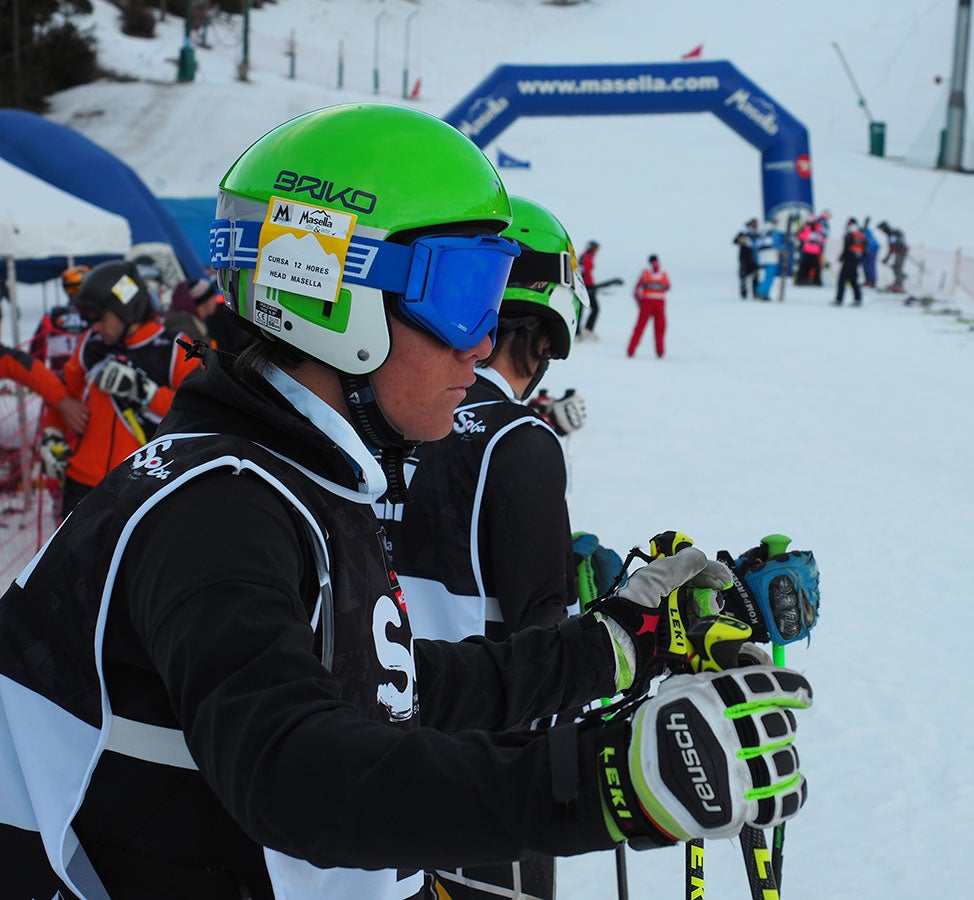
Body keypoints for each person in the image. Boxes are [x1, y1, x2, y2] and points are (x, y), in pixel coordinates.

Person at [0, 103, 811, 900]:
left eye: (494, 299)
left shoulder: (304, 478)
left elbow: (386, 688)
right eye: (462, 295)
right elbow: (290, 772)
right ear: (326, 292)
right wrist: (608, 782)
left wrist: (610, 646)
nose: (484, 342)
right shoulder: (217, 507)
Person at [379, 196, 588, 900]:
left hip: (368, 739)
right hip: (477, 762)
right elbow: (544, 635)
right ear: (547, 332)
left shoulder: (386, 417)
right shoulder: (519, 440)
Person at [55, 258, 203, 515]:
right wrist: (52, 431)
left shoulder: (173, 348)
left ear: (125, 308)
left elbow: (199, 415)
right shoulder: (91, 343)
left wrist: (145, 393)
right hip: (82, 482)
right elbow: (65, 394)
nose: (94, 327)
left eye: (98, 317)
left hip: (141, 485)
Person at [626, 254, 671, 358]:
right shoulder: (663, 275)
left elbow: (636, 291)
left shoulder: (645, 274)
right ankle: (660, 352)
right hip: (658, 303)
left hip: (647, 303)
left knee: (640, 327)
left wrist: (640, 302)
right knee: (660, 328)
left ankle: (631, 351)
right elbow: (668, 287)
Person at [832, 218, 866, 306]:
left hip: (849, 260)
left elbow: (846, 248)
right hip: (857, 259)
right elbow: (864, 249)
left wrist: (842, 257)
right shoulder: (861, 234)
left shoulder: (849, 234)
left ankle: (838, 300)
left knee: (842, 280)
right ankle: (858, 299)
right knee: (853, 280)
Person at [752, 217, 785, 301]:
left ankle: (764, 292)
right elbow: (776, 243)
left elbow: (755, 245)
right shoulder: (773, 231)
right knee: (770, 276)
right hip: (771, 256)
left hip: (761, 256)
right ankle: (761, 292)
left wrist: (756, 257)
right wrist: (785, 248)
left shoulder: (760, 232)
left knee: (765, 275)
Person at [577, 240, 600, 338]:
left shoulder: (589, 257)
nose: (595, 252)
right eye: (594, 249)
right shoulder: (584, 258)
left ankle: (587, 330)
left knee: (594, 308)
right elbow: (583, 273)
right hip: (585, 287)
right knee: (583, 309)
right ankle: (578, 332)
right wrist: (586, 287)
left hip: (590, 286)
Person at [878, 221, 908, 293]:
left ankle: (899, 286)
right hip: (900, 251)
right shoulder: (891, 233)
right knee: (895, 267)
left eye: (881, 229)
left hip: (901, 251)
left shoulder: (891, 234)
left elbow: (893, 247)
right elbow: (892, 247)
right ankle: (897, 283)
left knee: (897, 267)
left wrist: (887, 258)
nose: (881, 231)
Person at [733, 218, 759, 299]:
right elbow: (735, 241)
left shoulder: (757, 233)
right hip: (744, 257)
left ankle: (755, 293)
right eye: (754, 224)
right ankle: (743, 293)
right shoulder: (744, 232)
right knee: (743, 276)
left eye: (756, 224)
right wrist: (744, 241)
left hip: (754, 258)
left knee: (755, 276)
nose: (755, 226)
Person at [861, 217, 880, 289]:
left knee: (871, 264)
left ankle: (872, 280)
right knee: (864, 264)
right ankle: (868, 279)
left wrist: (866, 249)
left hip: (872, 248)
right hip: (866, 250)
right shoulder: (862, 232)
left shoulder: (867, 232)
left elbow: (867, 242)